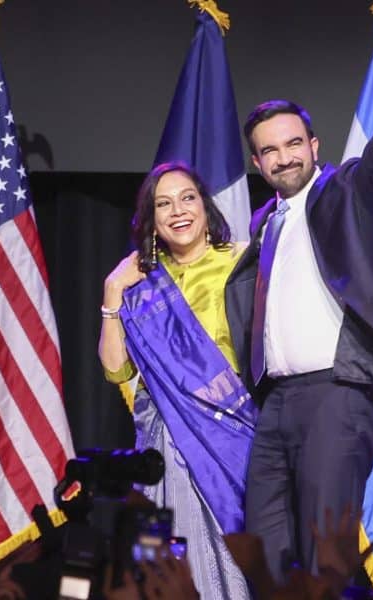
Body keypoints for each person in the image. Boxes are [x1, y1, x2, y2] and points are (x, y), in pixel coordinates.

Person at [223, 0, 373, 581]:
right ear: (258, 162)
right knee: (263, 551)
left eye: (293, 144)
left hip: (338, 395)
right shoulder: (264, 223)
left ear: (313, 147)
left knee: (324, 551)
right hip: (276, 402)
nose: (283, 156)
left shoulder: (346, 193)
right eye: (269, 150)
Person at [99, 161, 256, 600]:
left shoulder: (243, 262)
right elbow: (116, 369)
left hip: (229, 436)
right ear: (151, 219)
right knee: (165, 555)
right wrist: (112, 294)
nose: (178, 211)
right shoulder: (140, 282)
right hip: (162, 437)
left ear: (205, 207)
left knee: (229, 550)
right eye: (163, 204)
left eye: (187, 198)